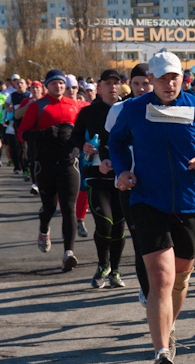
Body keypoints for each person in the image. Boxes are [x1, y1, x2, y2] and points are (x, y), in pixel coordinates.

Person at [108, 51, 195, 364]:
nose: (168, 83)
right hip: (147, 200)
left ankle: (169, 324)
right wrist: (122, 171)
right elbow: (116, 142)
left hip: (192, 202)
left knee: (180, 277)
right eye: (162, 78)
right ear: (151, 80)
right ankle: (161, 352)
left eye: (173, 77)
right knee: (161, 278)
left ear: (182, 78)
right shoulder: (135, 109)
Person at [17, 69, 84, 272]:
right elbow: (22, 134)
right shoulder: (38, 106)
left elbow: (84, 131)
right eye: (54, 83)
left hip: (68, 163)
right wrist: (43, 134)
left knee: (69, 208)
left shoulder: (74, 105)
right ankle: (44, 228)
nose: (59, 86)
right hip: (45, 164)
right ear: (47, 86)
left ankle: (68, 253)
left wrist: (77, 139)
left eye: (62, 83)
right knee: (49, 207)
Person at [72, 69, 126, 288]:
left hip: (122, 175)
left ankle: (116, 271)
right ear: (100, 86)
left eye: (116, 83)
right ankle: (103, 265)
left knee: (119, 227)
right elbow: (75, 135)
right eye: (108, 83)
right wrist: (83, 145)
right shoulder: (89, 112)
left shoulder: (127, 109)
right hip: (96, 175)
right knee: (104, 224)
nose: (112, 87)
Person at [106, 62, 152, 306]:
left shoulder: (165, 109)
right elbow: (112, 143)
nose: (141, 88)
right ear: (130, 85)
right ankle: (147, 290)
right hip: (129, 183)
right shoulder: (119, 109)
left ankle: (161, 288)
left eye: (145, 83)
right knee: (139, 240)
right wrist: (116, 166)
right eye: (136, 84)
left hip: (158, 182)